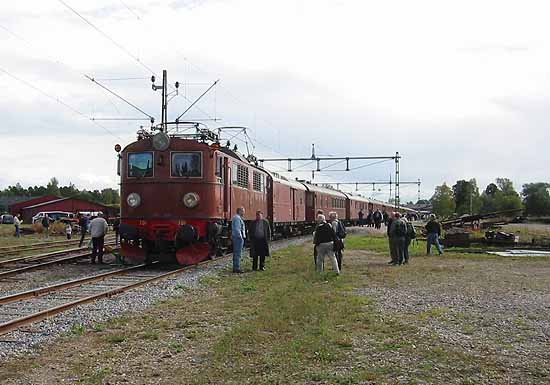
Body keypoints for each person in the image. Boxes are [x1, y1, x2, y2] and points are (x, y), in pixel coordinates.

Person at [231, 207, 246, 273]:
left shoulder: (236, 217)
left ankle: (236, 267)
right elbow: (237, 229)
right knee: (238, 253)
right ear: (239, 211)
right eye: (243, 211)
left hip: (236, 238)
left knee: (236, 253)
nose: (244, 212)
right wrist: (240, 237)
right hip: (238, 238)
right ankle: (236, 268)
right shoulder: (237, 218)